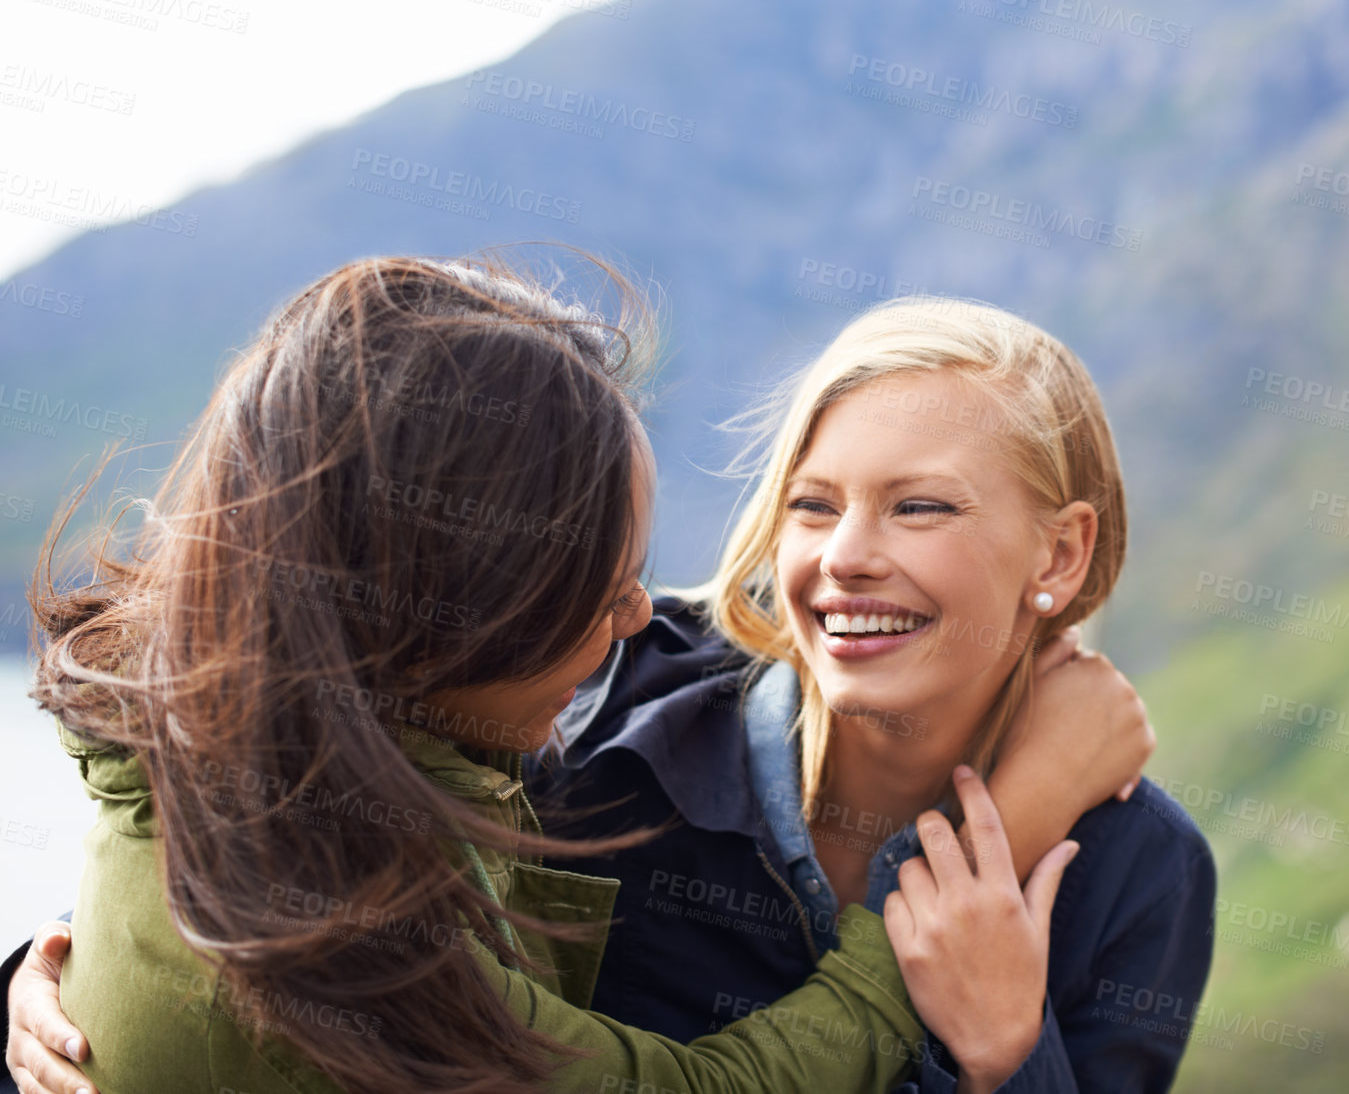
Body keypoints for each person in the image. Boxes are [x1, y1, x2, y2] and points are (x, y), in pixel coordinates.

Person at [1, 257, 1149, 1094]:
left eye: (923, 505)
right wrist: (997, 831)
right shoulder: (596, 750)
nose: (639, 616)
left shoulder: (1148, 871)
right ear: (445, 604)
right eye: (591, 593)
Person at [522, 296, 1217, 1092]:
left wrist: (1006, 1054)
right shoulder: (599, 722)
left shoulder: (1142, 865)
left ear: (1059, 554)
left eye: (919, 506)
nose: (845, 556)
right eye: (811, 506)